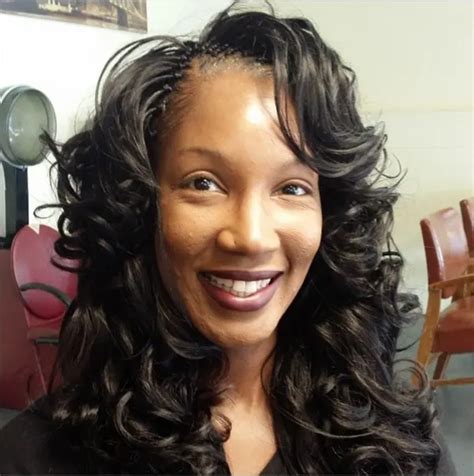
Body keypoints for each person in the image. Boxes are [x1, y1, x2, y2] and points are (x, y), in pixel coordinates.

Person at [0, 2, 456, 475]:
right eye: (203, 183)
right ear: (141, 206)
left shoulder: (400, 447)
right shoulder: (34, 459)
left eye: (292, 188)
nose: (251, 238)